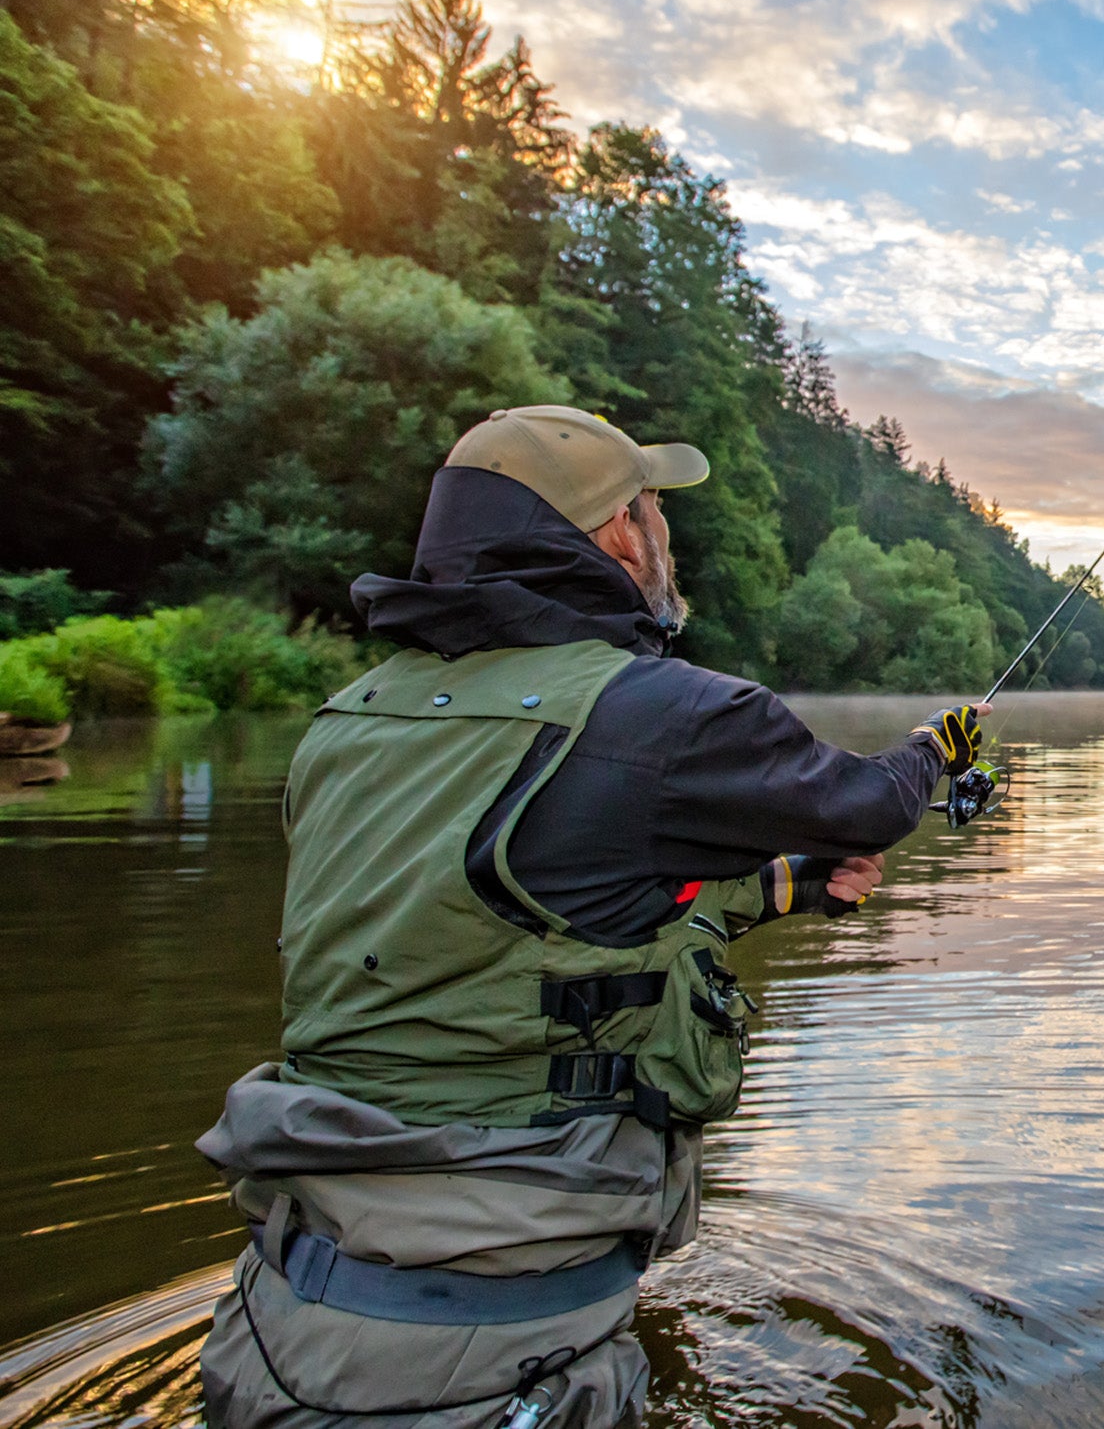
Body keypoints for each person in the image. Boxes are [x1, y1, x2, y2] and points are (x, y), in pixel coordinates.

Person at [195, 404, 988, 1428]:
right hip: (492, 1373)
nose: (668, 536)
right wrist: (937, 747)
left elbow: (525, 920)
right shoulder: (669, 715)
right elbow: (874, 802)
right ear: (619, 530)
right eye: (658, 512)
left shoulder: (346, 726)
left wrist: (793, 883)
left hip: (271, 1326)